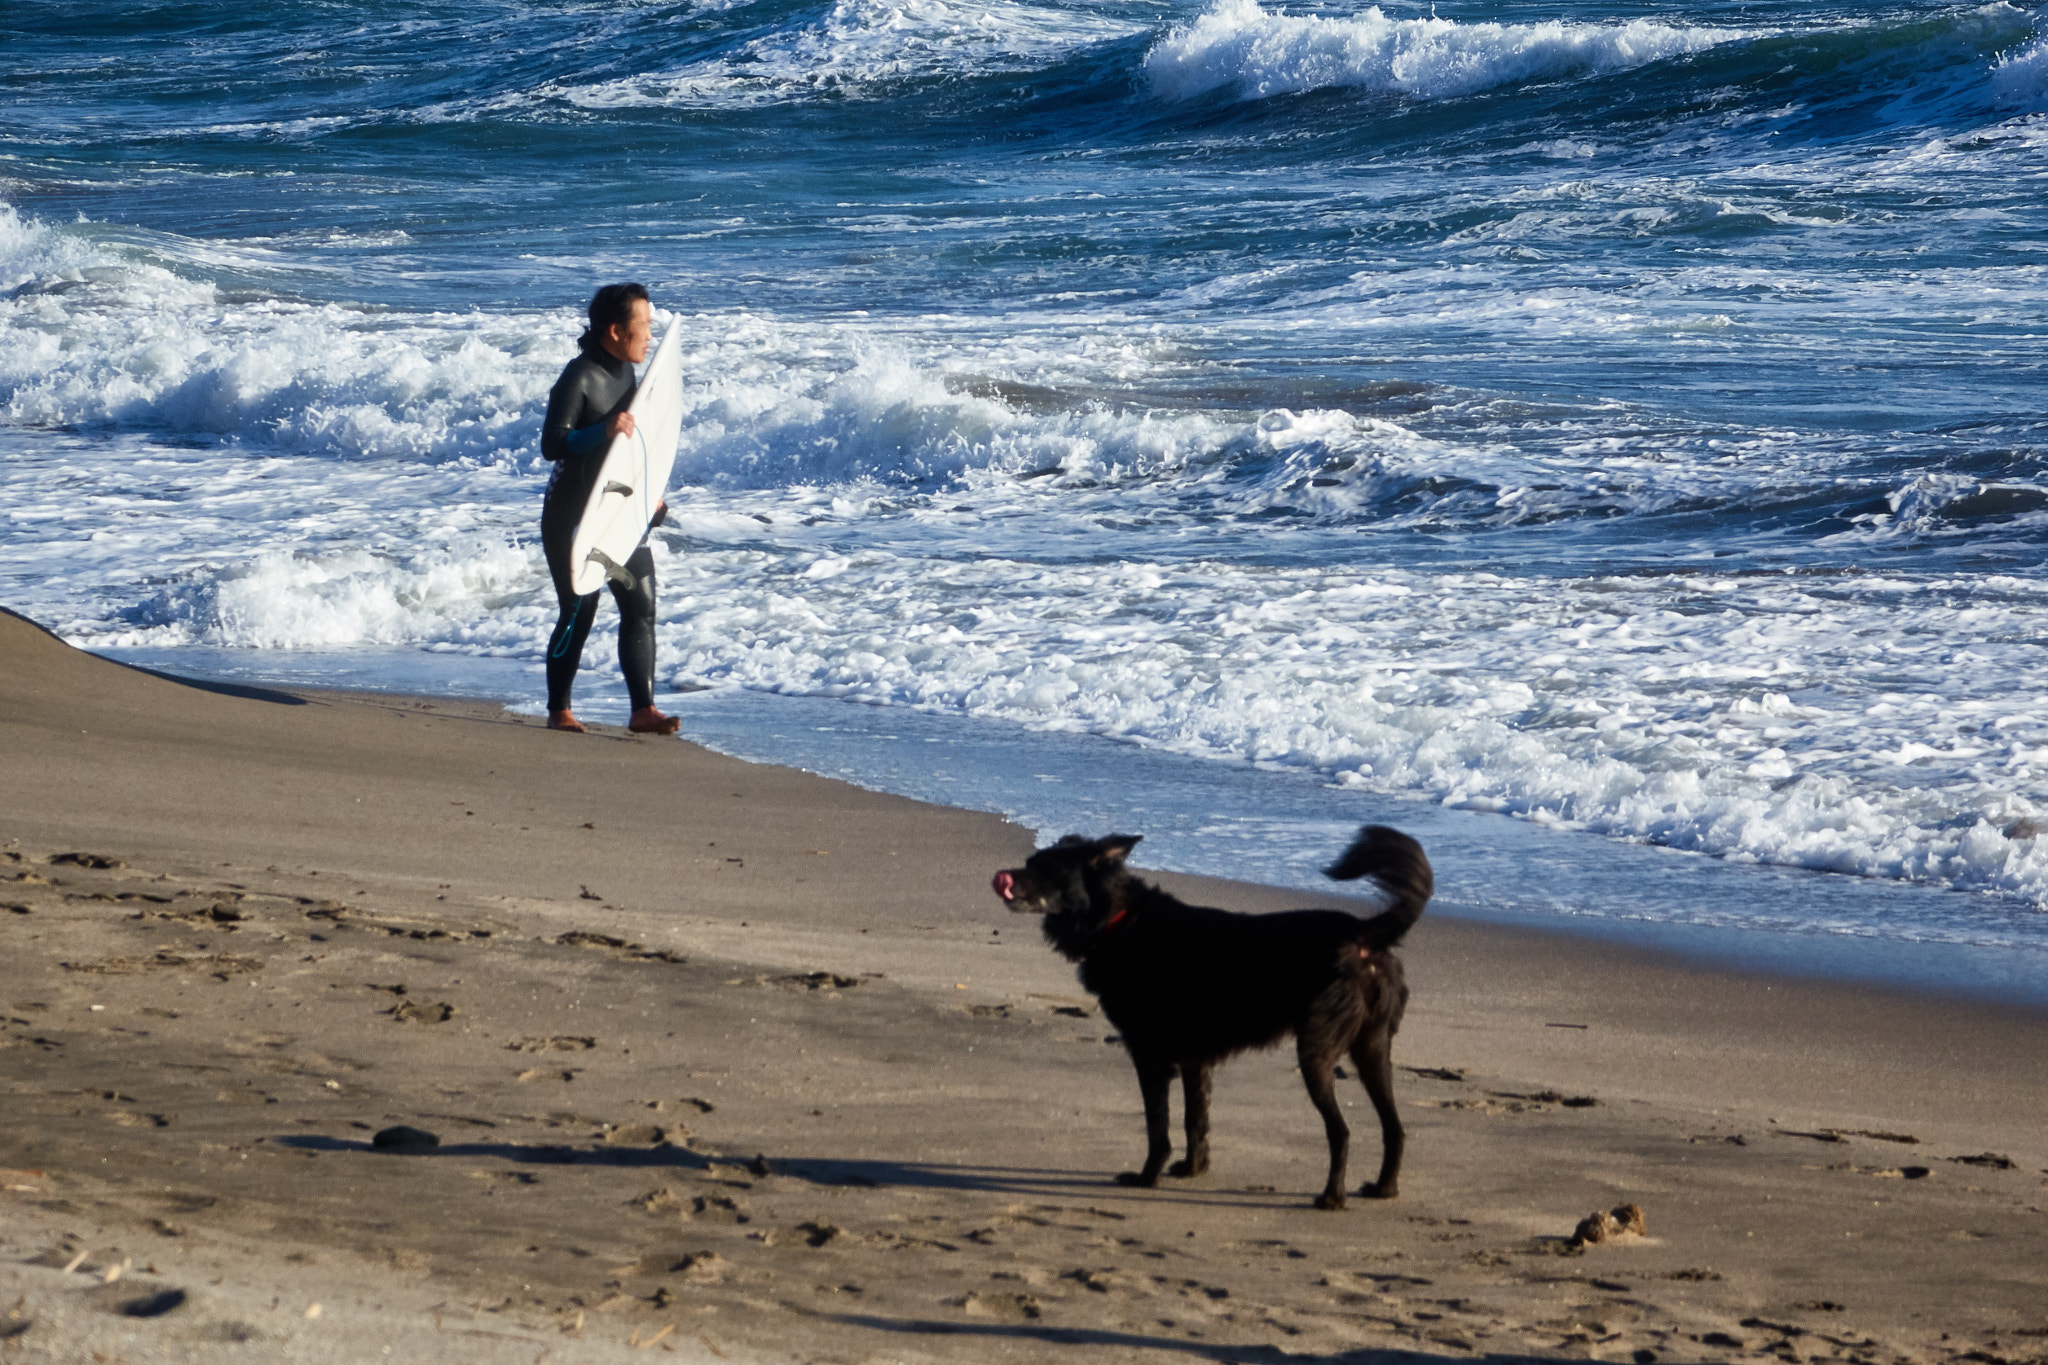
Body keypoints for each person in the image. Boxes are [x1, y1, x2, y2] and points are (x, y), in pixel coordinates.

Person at [538, 282, 679, 735]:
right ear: (616, 332)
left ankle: (643, 710)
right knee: (580, 611)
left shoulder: (629, 372)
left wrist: (647, 495)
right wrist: (601, 430)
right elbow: (553, 445)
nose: (650, 338)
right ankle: (559, 709)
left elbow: (630, 449)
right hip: (571, 518)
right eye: (644, 328)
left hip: (617, 514)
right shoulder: (578, 377)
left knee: (641, 603)